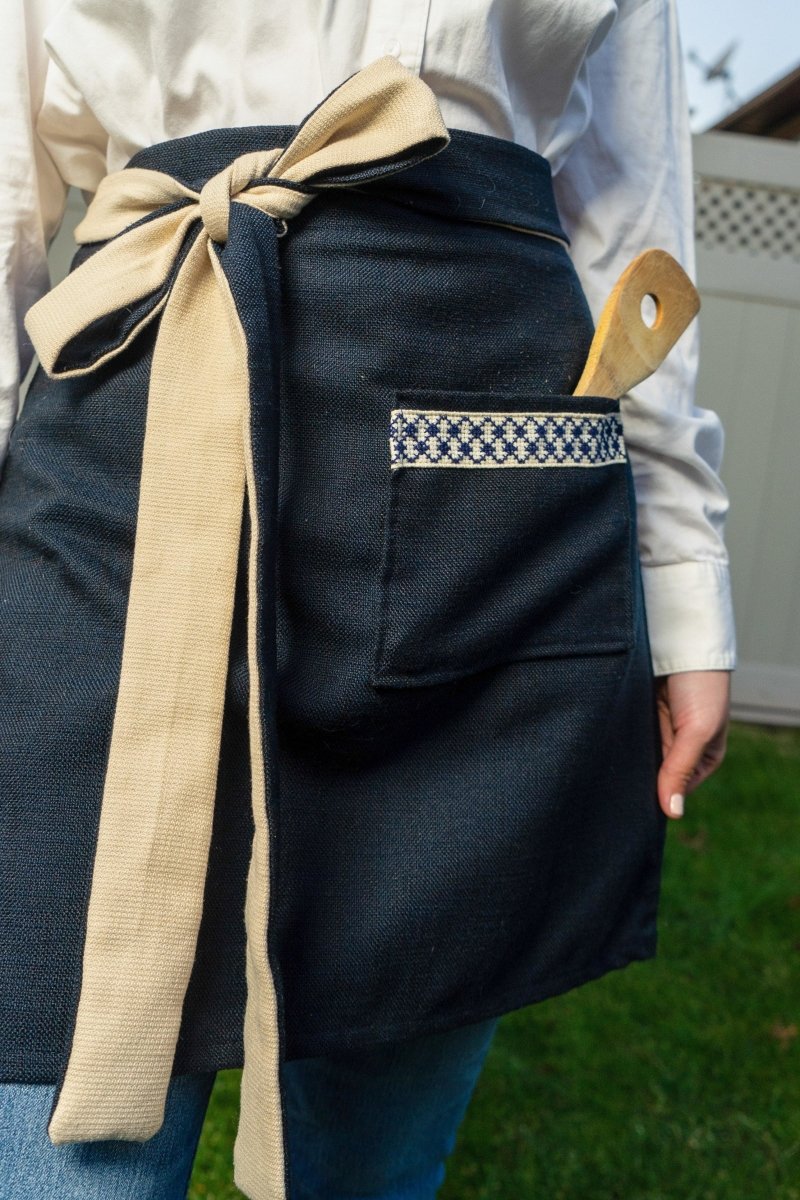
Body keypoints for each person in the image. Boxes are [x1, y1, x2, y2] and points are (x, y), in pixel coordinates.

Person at [0, 1, 736, 1197]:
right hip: (128, 445)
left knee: (373, 1160)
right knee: (57, 1117)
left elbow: (627, 206)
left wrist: (680, 576)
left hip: (488, 495)